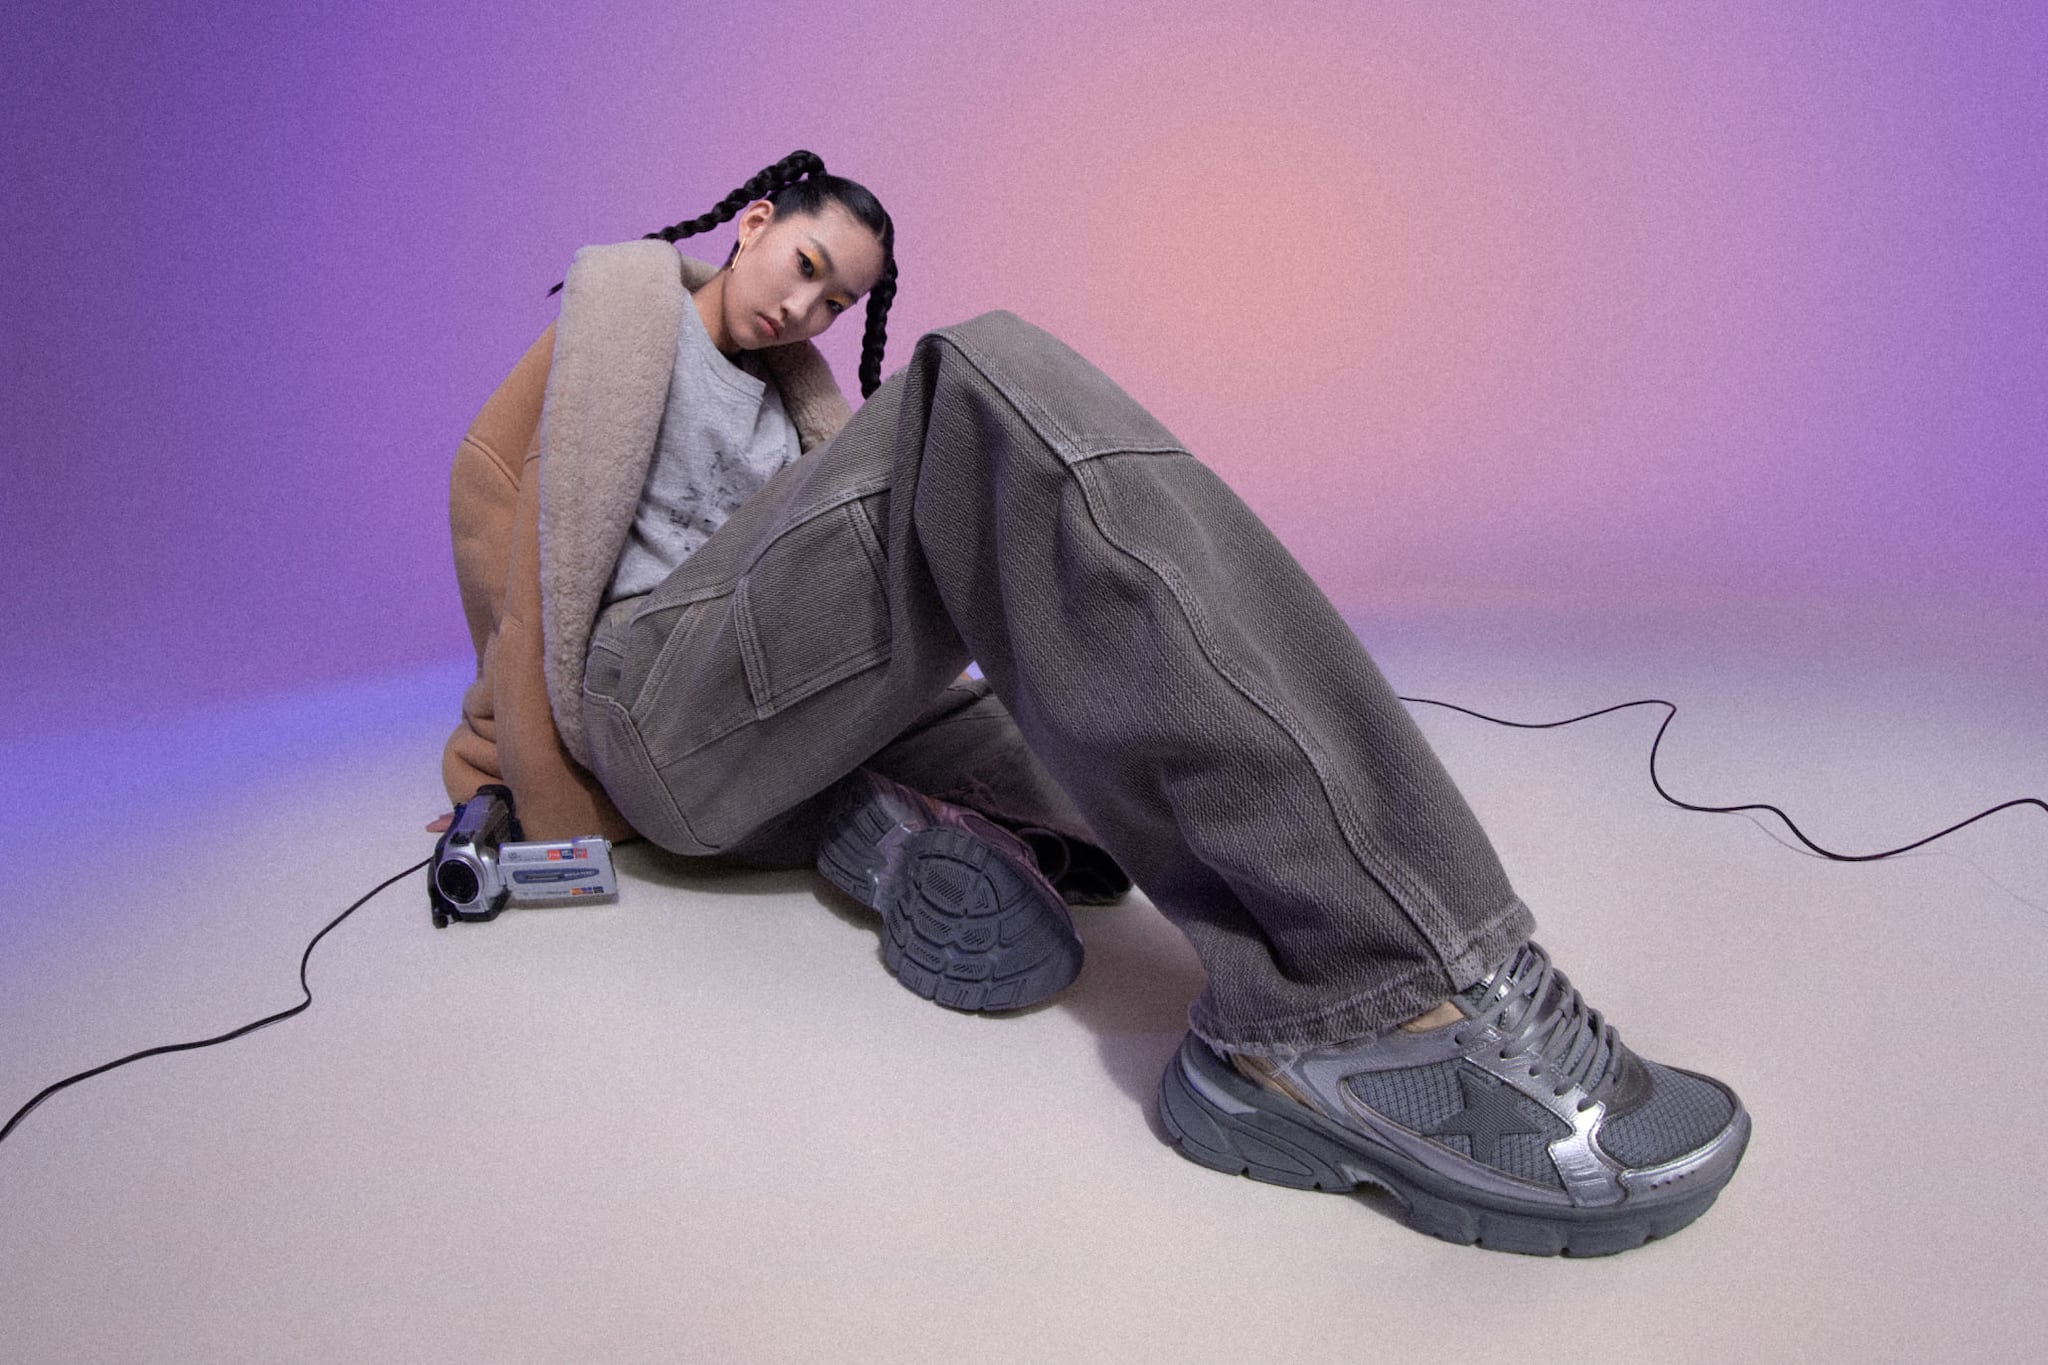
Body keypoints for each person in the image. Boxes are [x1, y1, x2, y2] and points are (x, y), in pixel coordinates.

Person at [441, 150, 1749, 1256]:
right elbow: (498, 499)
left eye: (835, 299)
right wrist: (545, 793)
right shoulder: (620, 317)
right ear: (755, 224)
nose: (809, 307)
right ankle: (1377, 1006)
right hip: (641, 695)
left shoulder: (797, 416)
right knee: (973, 381)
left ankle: (902, 832)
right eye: (803, 267)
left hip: (761, 711)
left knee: (1070, 728)